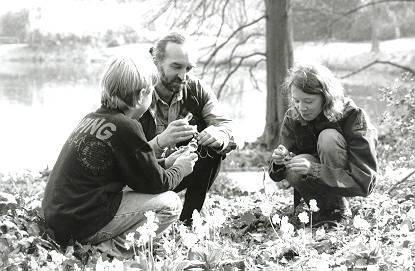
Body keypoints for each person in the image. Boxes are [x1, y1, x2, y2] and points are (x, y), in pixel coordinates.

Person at [42, 55, 198, 258]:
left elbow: (132, 172)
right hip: (80, 224)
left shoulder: (91, 119)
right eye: (151, 91)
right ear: (143, 95)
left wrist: (167, 162)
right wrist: (180, 169)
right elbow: (157, 184)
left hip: (59, 220)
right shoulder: (127, 127)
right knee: (170, 204)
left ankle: (98, 246)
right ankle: (106, 253)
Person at [135, 32, 235, 224]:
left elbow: (225, 125)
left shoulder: (197, 89)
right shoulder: (137, 91)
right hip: (140, 177)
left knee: (212, 147)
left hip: (179, 171)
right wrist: (161, 141)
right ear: (156, 62)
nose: (183, 76)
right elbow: (121, 156)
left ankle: (189, 222)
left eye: (188, 68)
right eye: (176, 67)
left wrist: (219, 135)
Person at [269, 62, 378, 226]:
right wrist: (278, 163)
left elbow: (364, 183)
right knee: (296, 163)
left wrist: (313, 169)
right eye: (296, 100)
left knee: (328, 138)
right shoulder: (293, 116)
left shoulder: (353, 116)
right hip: (314, 188)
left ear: (326, 97)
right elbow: (279, 176)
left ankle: (338, 210)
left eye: (308, 101)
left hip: (345, 180)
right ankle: (319, 211)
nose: (301, 108)